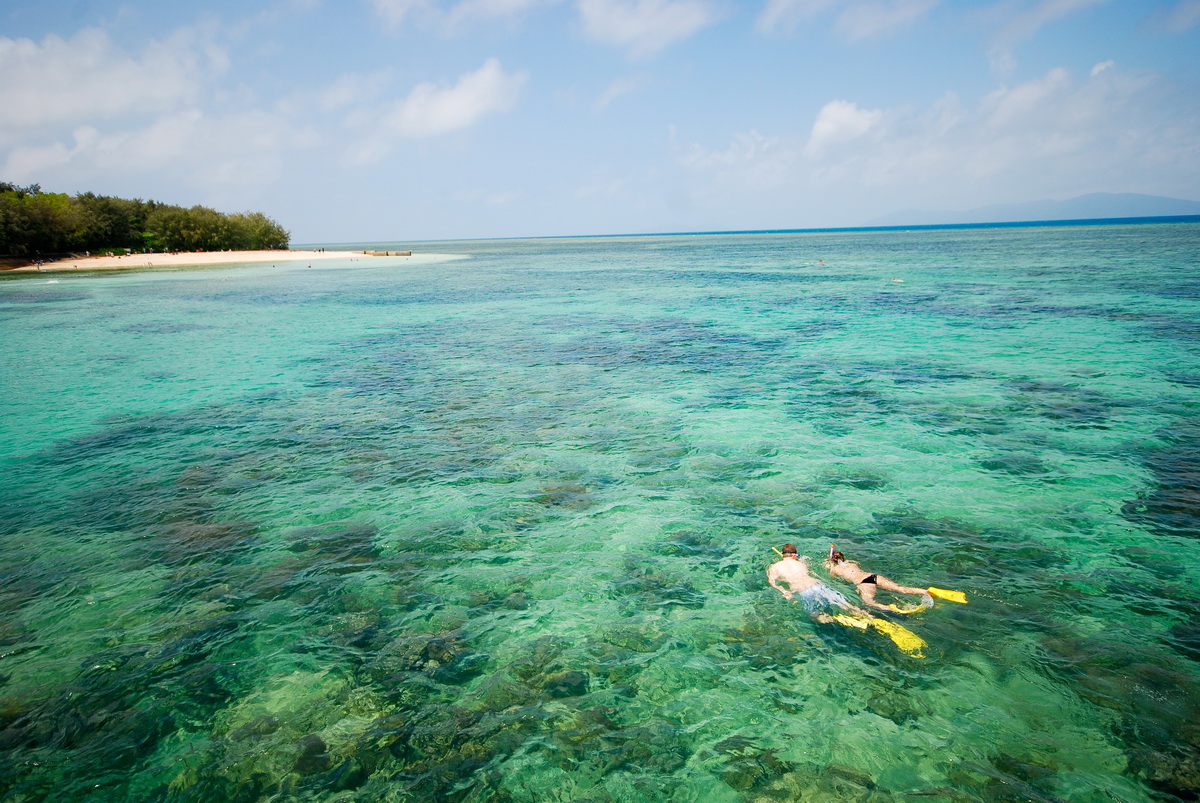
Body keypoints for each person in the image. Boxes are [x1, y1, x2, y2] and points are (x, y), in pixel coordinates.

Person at [767, 543, 871, 622]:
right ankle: (868, 616)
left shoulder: (775, 567)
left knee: (813, 615)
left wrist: (785, 592)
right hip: (818, 585)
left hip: (804, 591)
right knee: (844, 604)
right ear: (794, 555)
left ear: (782, 554)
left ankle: (832, 619)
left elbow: (772, 582)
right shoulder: (801, 564)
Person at [824, 545, 934, 612]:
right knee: (901, 589)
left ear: (832, 560)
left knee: (869, 603)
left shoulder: (835, 569)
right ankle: (927, 591)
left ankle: (891, 609)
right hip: (873, 576)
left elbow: (831, 578)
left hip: (864, 583)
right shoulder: (851, 563)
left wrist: (829, 566)